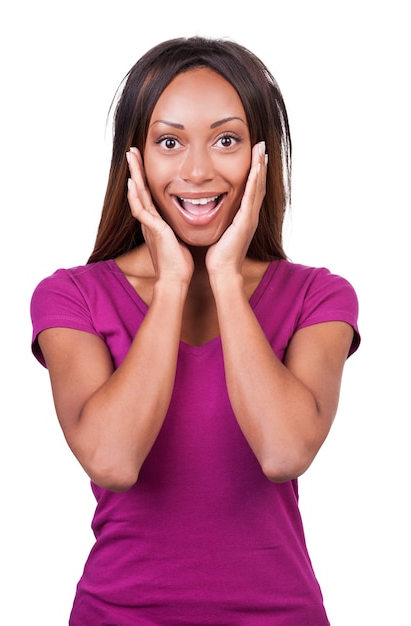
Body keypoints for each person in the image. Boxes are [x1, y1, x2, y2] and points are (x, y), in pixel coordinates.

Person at [30, 36, 360, 625]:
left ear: (263, 155)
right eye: (169, 142)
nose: (198, 169)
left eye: (226, 140)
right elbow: (112, 458)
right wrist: (174, 281)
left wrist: (228, 277)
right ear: (133, 157)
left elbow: (285, 451)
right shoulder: (71, 297)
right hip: (117, 615)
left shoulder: (319, 296)